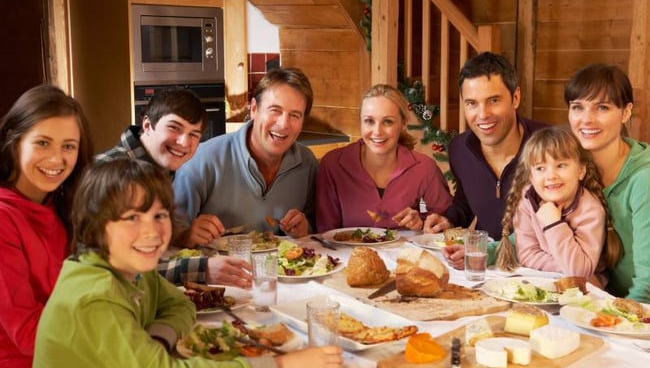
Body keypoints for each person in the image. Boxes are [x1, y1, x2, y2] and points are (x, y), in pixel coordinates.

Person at [30, 159, 344, 368]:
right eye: (131, 218)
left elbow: (180, 303)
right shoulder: (93, 298)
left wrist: (155, 342)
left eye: (159, 215)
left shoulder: (133, 269)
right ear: (94, 225)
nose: (152, 232)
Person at [96, 87, 251, 289]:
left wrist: (183, 234)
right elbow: (118, 268)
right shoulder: (113, 174)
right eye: (174, 128)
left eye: (194, 134)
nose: (184, 142)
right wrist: (202, 269)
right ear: (147, 125)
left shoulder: (159, 168)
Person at [0, 85, 93, 368]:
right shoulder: (3, 218)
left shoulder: (60, 207)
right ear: (14, 140)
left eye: (68, 146)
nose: (57, 159)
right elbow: (29, 333)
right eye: (42, 143)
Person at [422, 52, 547, 267]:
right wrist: (448, 219)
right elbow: (466, 200)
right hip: (487, 269)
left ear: (515, 98)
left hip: (540, 270)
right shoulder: (460, 149)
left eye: (494, 100)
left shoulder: (550, 146)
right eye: (472, 103)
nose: (483, 114)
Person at [173, 67, 318, 247]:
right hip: (214, 271)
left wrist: (305, 228)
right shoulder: (201, 161)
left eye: (295, 115)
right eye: (275, 110)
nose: (283, 124)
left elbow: (315, 228)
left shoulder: (307, 163)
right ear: (254, 109)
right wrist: (186, 235)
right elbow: (167, 236)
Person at [494, 126, 622, 287]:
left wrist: (553, 224)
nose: (551, 175)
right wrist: (566, 266)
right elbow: (527, 255)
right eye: (540, 168)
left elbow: (580, 272)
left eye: (561, 165)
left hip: (584, 293)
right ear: (531, 177)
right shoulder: (527, 199)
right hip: (542, 283)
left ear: (581, 171)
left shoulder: (591, 211)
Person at [565, 63, 650, 302]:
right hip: (604, 300)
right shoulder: (575, 166)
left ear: (625, 112)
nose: (586, 120)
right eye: (577, 107)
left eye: (602, 108)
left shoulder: (644, 178)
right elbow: (538, 227)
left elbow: (648, 283)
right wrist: (487, 250)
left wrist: (618, 318)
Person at [316, 84, 452, 232]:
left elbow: (446, 221)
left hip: (403, 254)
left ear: (403, 123)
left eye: (388, 122)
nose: (377, 132)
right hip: (346, 255)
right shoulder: (333, 164)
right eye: (369, 121)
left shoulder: (424, 167)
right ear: (360, 122)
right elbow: (325, 233)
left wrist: (421, 222)